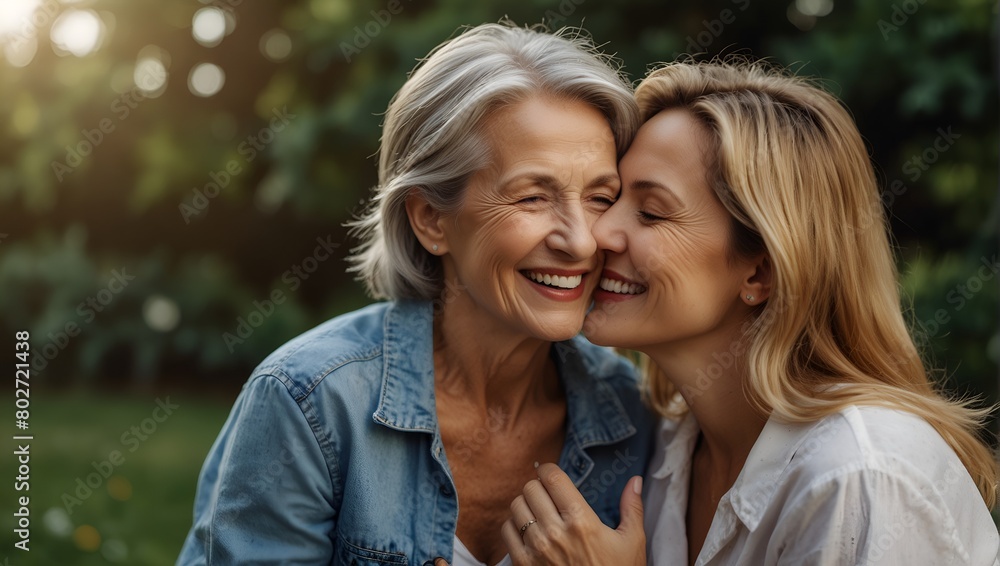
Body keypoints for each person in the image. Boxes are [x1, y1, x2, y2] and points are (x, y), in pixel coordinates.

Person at [177, 22, 656, 566]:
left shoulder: (630, 411)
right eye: (532, 197)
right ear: (431, 219)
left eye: (600, 197)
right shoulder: (311, 401)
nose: (581, 241)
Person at [502, 59, 1000, 565]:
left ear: (760, 272)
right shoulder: (665, 447)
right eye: (609, 199)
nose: (597, 235)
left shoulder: (860, 475)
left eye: (651, 213)